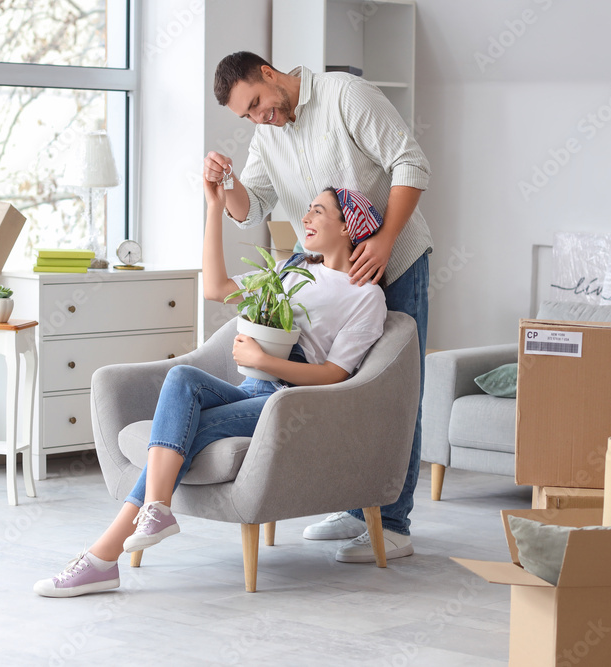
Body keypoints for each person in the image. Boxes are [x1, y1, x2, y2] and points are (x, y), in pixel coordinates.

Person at [33, 182, 388, 597]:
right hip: (252, 387)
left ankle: (101, 557)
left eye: (318, 211)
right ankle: (155, 512)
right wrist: (214, 208)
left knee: (188, 434)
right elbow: (216, 288)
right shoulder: (294, 269)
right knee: (182, 378)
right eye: (307, 210)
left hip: (287, 401)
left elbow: (335, 374)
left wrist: (265, 361)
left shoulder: (367, 297)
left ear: (348, 228)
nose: (306, 218)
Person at [204, 51, 431, 563]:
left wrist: (386, 237)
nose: (260, 117)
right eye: (248, 115)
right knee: (346, 393)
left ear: (268, 73)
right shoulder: (269, 134)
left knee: (396, 393)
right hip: (331, 273)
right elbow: (252, 209)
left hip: (394, 259)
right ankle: (356, 508)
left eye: (258, 103)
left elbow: (411, 162)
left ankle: (393, 522)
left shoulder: (345, 96)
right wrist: (225, 184)